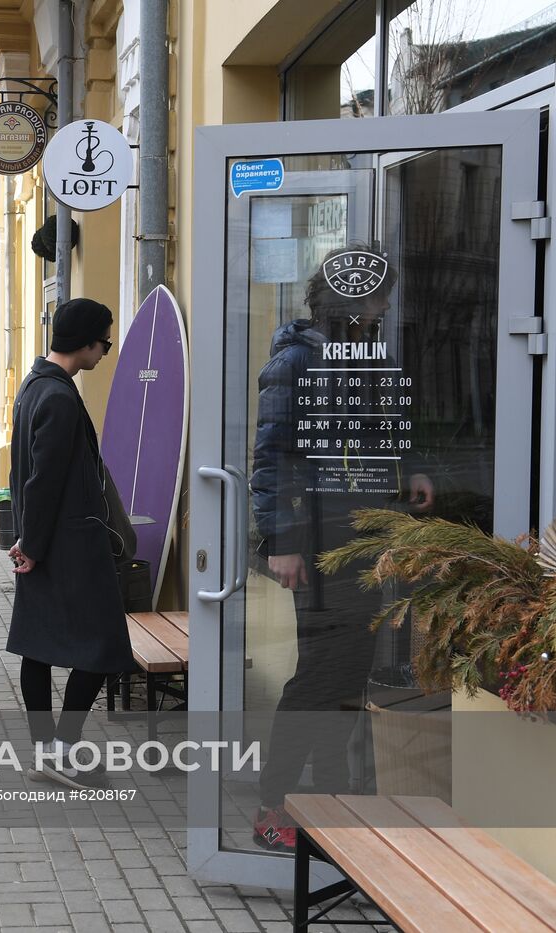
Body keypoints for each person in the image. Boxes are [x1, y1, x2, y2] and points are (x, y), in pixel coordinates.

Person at [249, 244, 434, 851]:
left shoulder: (364, 356)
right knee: (318, 676)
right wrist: (282, 541)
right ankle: (274, 804)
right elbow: (272, 456)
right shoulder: (298, 359)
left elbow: (383, 427)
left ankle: (325, 799)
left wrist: (410, 471)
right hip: (320, 540)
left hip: (363, 536)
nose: (384, 307)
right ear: (350, 302)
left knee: (346, 674)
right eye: (378, 297)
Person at [7, 298, 134, 788]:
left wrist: (25, 540)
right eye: (104, 341)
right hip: (68, 545)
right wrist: (34, 545)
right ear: (84, 342)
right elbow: (42, 480)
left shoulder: (36, 387)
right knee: (103, 645)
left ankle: (48, 751)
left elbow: (27, 476)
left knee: (37, 647)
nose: (106, 350)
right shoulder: (58, 397)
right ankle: (58, 748)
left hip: (45, 540)